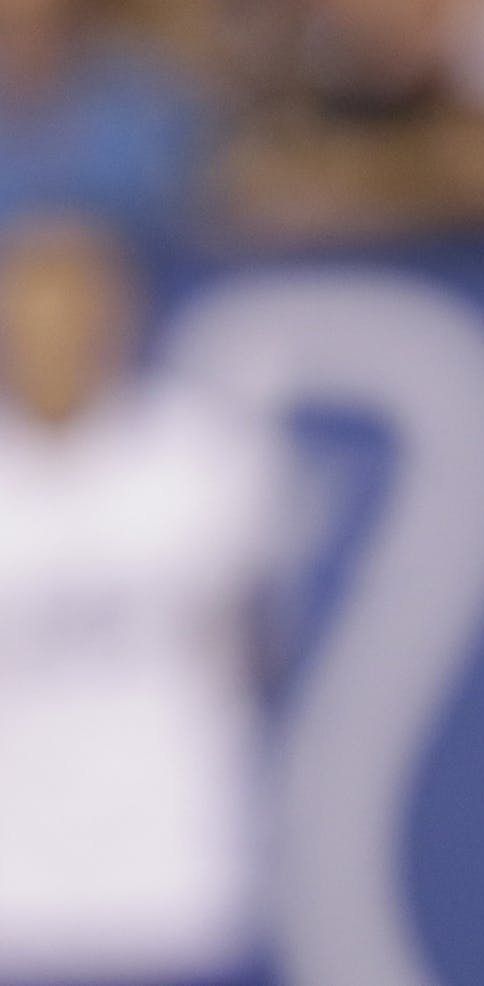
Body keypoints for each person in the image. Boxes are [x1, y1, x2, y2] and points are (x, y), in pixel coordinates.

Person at [0, 211, 281, 986]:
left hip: (175, 879)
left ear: (117, 313)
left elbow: (256, 647)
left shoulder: (203, 456)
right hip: (13, 899)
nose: (54, 327)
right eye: (31, 302)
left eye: (75, 300)